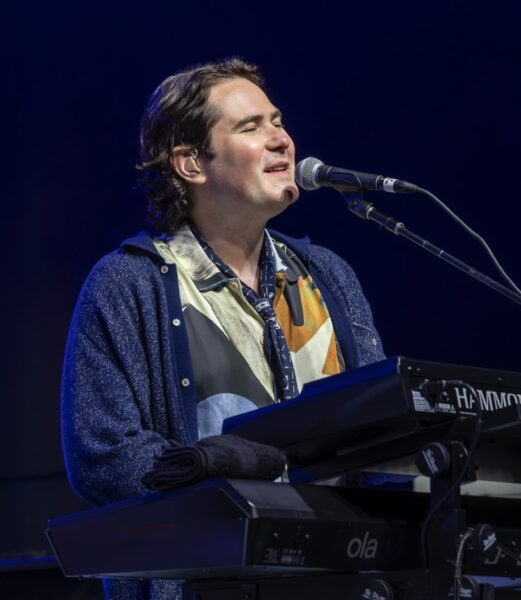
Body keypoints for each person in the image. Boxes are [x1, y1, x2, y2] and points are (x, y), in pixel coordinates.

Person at [60, 57, 384, 600]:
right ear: (190, 163)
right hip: (205, 583)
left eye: (278, 121)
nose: (282, 139)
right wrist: (223, 477)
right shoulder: (128, 283)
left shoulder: (329, 275)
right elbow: (103, 453)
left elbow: (381, 431)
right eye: (251, 126)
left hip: (338, 580)